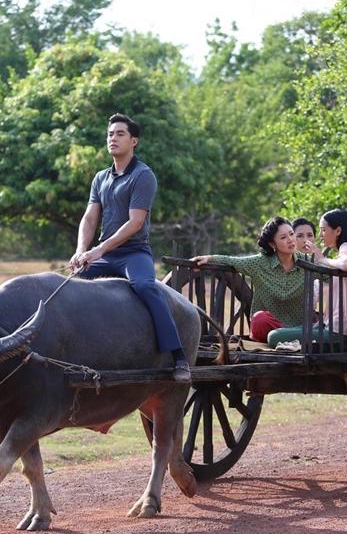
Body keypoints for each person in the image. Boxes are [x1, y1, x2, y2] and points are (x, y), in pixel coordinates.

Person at [69, 113, 191, 382]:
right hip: (104, 254)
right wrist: (81, 250)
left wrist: (98, 250)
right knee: (71, 284)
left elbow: (135, 223)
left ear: (133, 141)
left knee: (146, 286)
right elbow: (90, 217)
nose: (113, 138)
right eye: (110, 134)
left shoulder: (143, 175)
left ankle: (178, 356)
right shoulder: (101, 177)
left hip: (133, 254)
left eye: (120, 134)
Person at [191, 217, 305, 343]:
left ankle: (288, 339)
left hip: (296, 331)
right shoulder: (260, 263)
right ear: (273, 244)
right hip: (267, 331)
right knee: (259, 319)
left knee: (312, 326)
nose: (290, 240)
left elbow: (328, 274)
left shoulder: (307, 262)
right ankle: (281, 339)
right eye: (283, 237)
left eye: (291, 234)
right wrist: (209, 258)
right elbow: (233, 261)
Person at [269, 208, 347, 346]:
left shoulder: (346, 247)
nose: (321, 235)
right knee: (279, 332)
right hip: (333, 328)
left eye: (323, 230)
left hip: (341, 333)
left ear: (338, 231)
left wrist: (322, 260)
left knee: (273, 336)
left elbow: (346, 264)